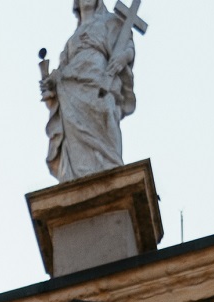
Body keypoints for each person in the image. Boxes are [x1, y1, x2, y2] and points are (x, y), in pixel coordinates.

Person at [39, 0, 141, 184]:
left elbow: (128, 46)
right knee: (75, 138)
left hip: (99, 80)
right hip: (71, 89)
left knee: (106, 113)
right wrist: (51, 83)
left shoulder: (110, 21)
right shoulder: (72, 40)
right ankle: (75, 178)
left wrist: (122, 58)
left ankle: (110, 166)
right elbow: (62, 69)